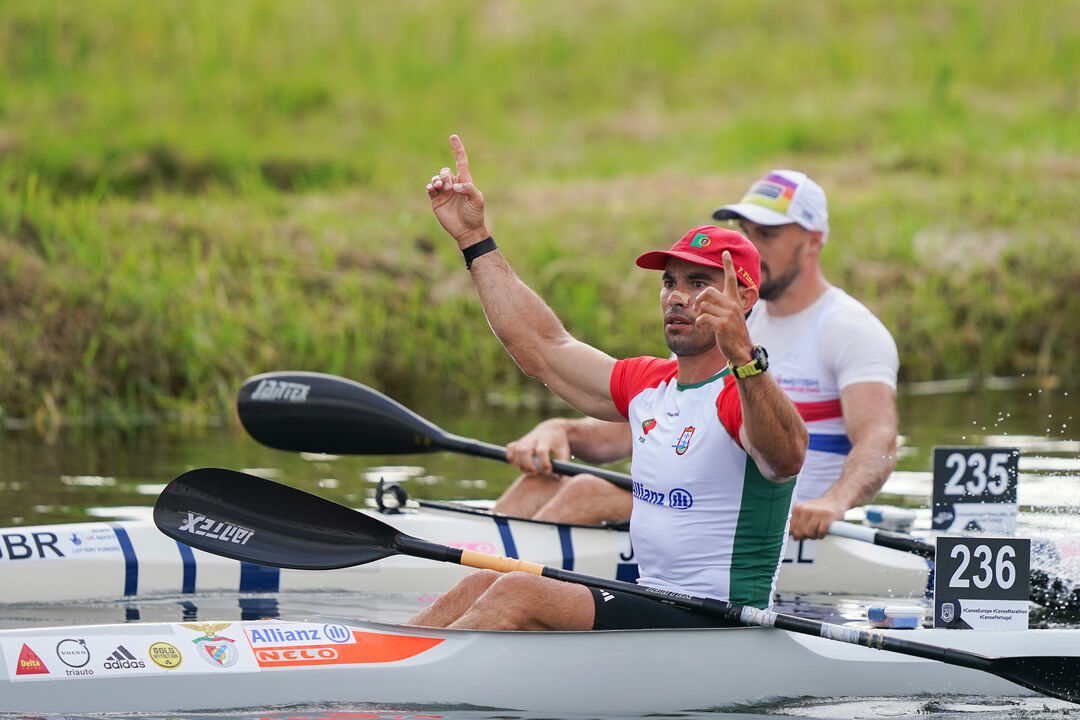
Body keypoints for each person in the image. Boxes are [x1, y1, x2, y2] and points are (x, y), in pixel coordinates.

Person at [408, 134, 807, 631]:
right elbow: (542, 348)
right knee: (489, 577)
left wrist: (745, 357)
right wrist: (474, 240)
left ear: (744, 300)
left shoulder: (742, 393)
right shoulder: (648, 384)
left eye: (699, 284)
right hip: (656, 605)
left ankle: (409, 699)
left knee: (518, 591)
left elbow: (787, 455)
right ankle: (380, 662)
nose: (677, 298)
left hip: (724, 624)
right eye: (670, 283)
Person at [492, 169, 899, 542]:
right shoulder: (716, 313)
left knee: (587, 491)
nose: (750, 245)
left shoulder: (849, 329)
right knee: (541, 480)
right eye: (744, 230)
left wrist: (834, 503)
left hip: (784, 522)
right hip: (697, 496)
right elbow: (663, 415)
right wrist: (565, 431)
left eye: (767, 234)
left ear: (813, 241)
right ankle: (481, 570)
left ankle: (503, 582)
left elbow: (879, 440)